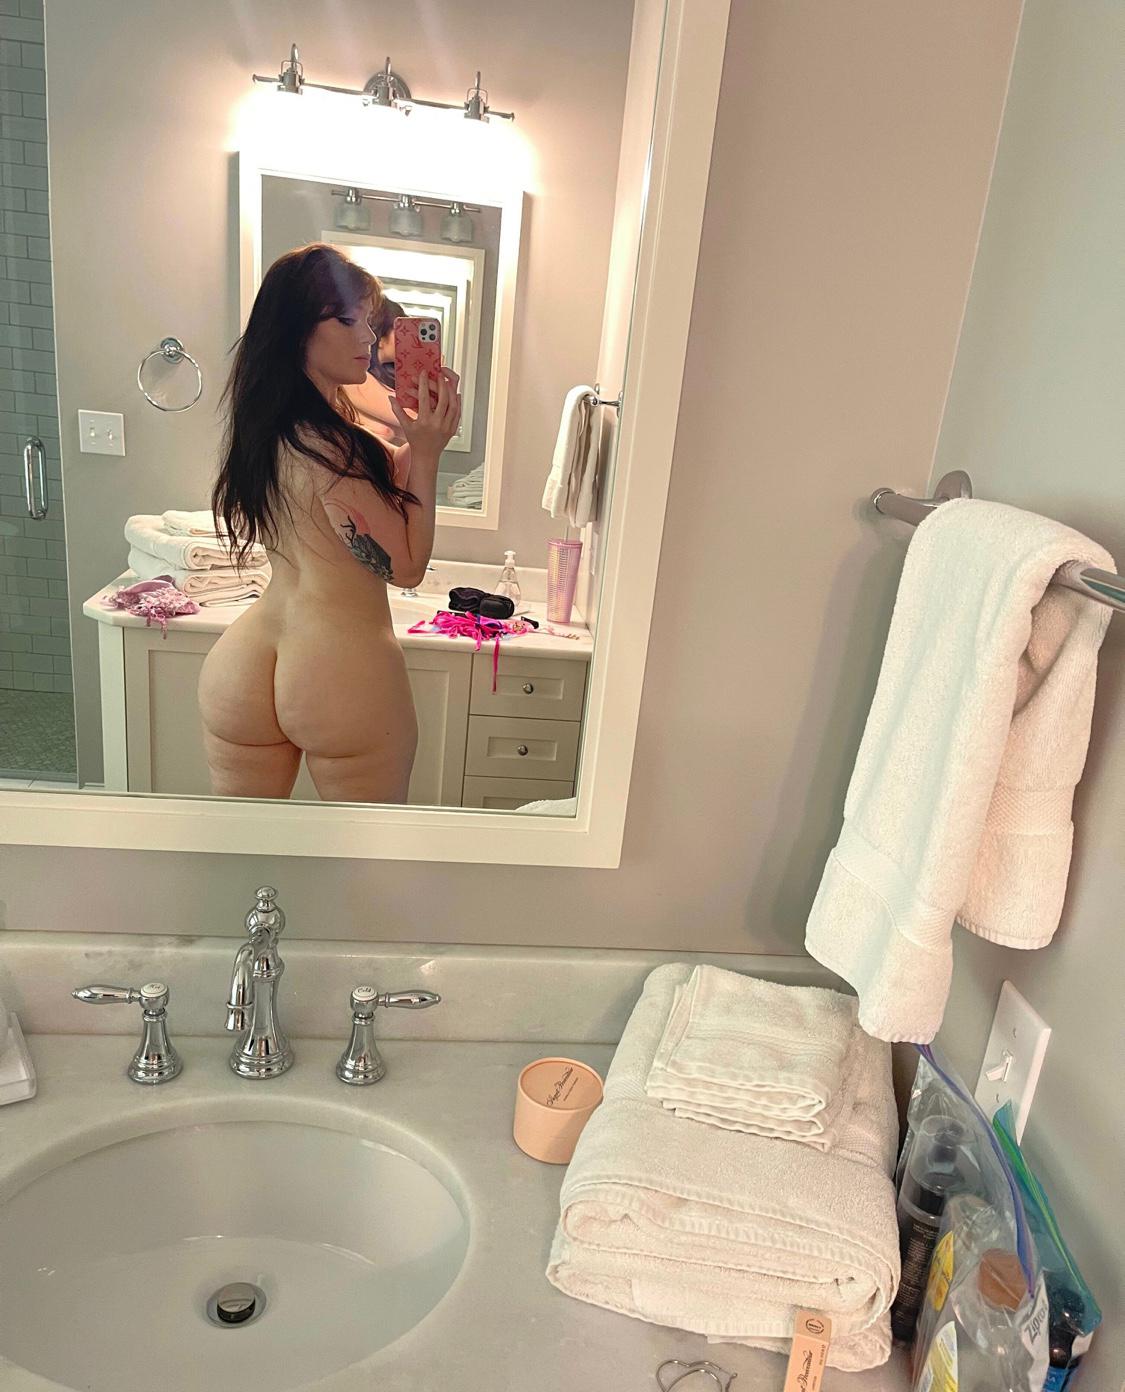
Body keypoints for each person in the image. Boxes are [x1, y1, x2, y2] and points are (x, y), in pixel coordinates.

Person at [198, 243, 460, 803]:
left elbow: (362, 497)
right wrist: (430, 456)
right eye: (347, 321)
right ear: (297, 330)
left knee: (244, 850)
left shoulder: (275, 429)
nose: (368, 336)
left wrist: (420, 441)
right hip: (338, 668)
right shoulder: (333, 448)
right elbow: (405, 567)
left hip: (245, 662)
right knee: (363, 853)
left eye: (368, 320)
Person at [345, 294, 407, 450]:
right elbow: (413, 418)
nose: (407, 339)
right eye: (401, 331)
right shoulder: (356, 381)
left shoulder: (384, 379)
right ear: (381, 338)